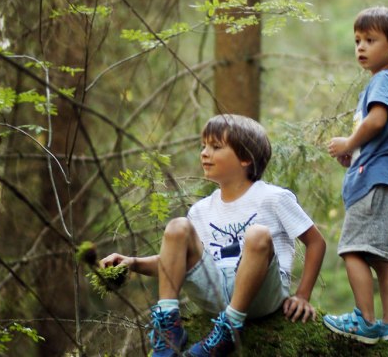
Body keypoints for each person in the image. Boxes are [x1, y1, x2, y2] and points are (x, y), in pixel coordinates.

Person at [100, 114, 326, 357]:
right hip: (214, 291)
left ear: (246, 158)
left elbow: (316, 243)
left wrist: (302, 295)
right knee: (177, 227)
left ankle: (231, 328)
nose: (205, 153)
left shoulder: (273, 198)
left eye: (216, 147)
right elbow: (176, 262)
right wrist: (132, 263)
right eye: (203, 146)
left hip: (262, 295)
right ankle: (168, 328)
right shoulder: (200, 211)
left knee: (257, 234)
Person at [324, 6, 388, 345]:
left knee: (352, 250)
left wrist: (348, 140)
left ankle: (365, 321)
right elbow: (379, 132)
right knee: (380, 256)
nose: (360, 47)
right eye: (358, 40)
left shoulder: (384, 80)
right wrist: (353, 153)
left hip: (377, 180)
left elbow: (376, 121)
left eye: (370, 40)